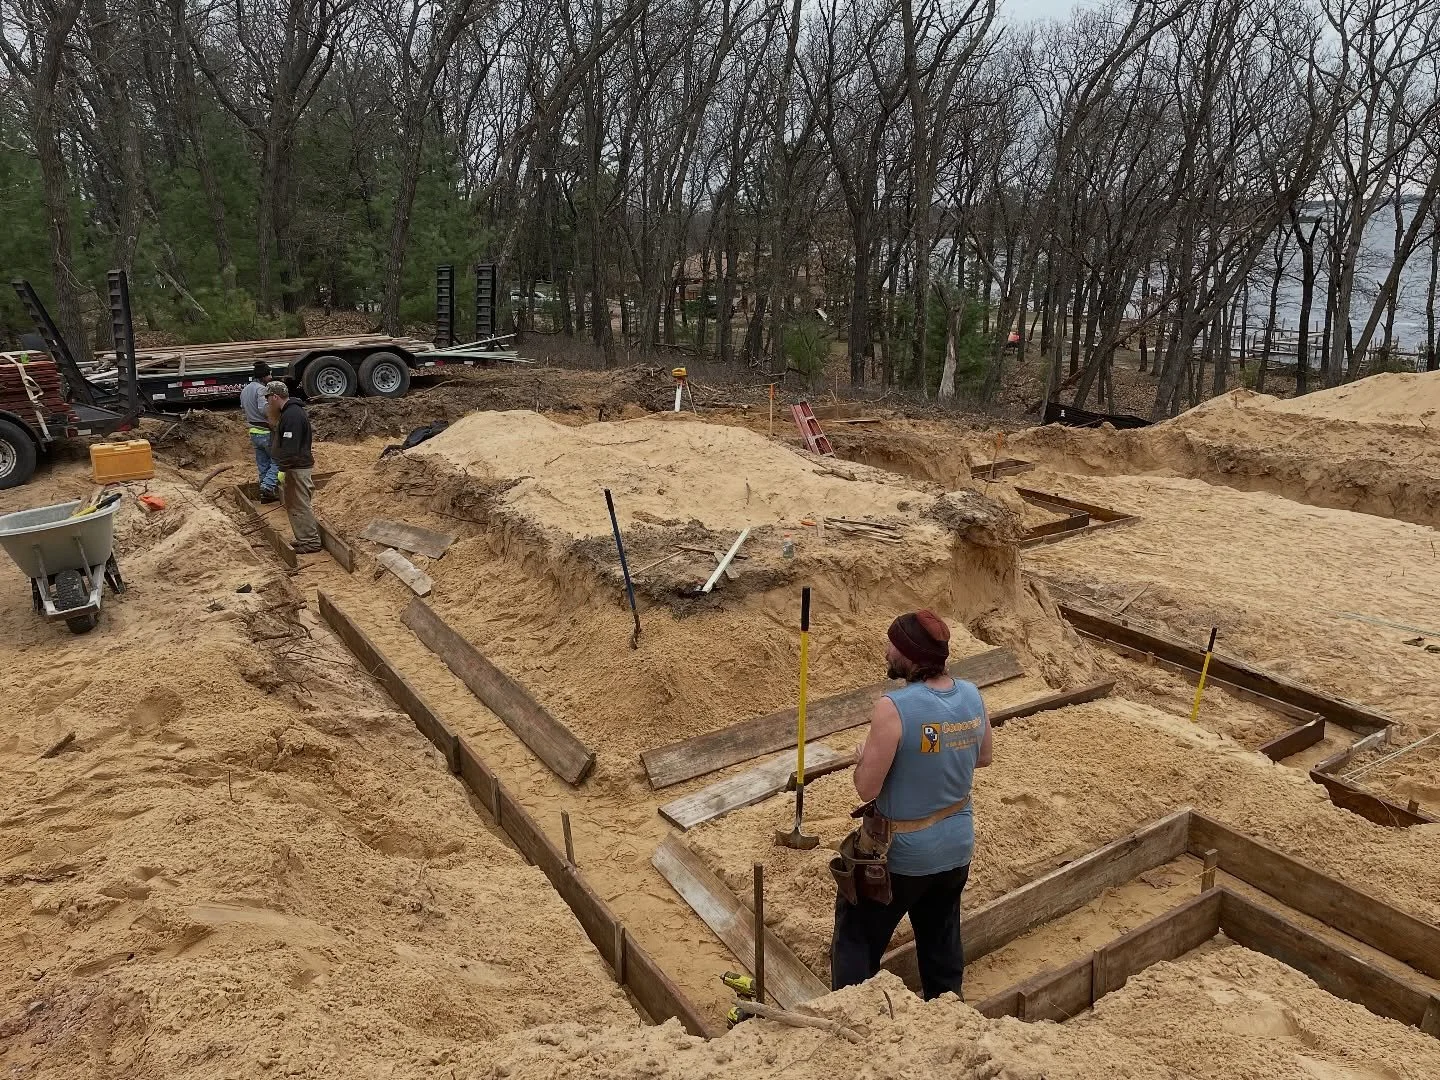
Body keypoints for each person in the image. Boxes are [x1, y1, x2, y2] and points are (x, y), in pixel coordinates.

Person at [830, 609, 992, 1000]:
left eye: (893, 645)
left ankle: (853, 1017)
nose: (887, 651)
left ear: (910, 654)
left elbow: (866, 789)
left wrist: (865, 756)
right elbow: (984, 756)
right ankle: (948, 1011)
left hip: (902, 858)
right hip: (956, 847)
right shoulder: (971, 694)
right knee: (940, 943)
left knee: (856, 938)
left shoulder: (894, 707)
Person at [265, 381, 321, 554]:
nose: (268, 403)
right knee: (295, 505)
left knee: (300, 505)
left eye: (268, 399)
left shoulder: (293, 415)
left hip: (297, 468)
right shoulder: (289, 413)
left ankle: (311, 542)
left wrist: (282, 469)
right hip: (294, 467)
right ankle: (304, 538)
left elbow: (291, 445)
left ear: (275, 397)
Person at [240, 361, 279, 501]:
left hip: (253, 432)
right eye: (269, 375)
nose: (271, 378)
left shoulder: (245, 389)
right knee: (278, 461)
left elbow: (243, 407)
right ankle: (268, 487)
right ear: (264, 376)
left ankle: (266, 494)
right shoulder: (261, 389)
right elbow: (264, 409)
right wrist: (275, 408)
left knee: (263, 464)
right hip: (265, 432)